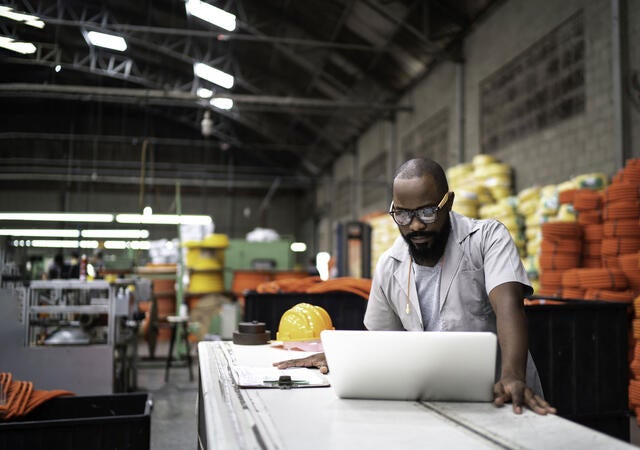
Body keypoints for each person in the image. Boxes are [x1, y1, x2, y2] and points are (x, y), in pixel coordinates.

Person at [274, 157, 556, 415]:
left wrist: (512, 376)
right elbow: (384, 343)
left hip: (502, 398)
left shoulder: (487, 239)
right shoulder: (390, 265)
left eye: (427, 213)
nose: (415, 226)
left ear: (449, 202)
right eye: (403, 215)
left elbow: (509, 307)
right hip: (434, 403)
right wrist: (339, 357)